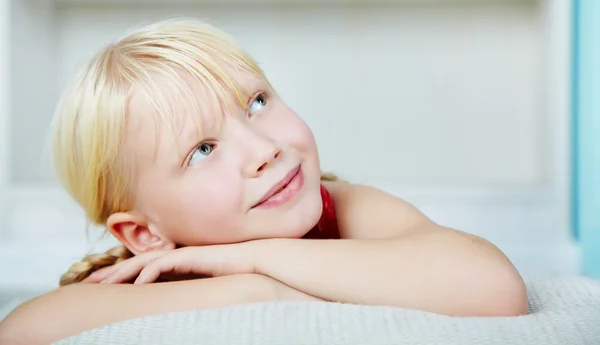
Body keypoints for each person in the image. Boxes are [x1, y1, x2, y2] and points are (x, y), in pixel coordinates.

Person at [0, 18, 528, 345]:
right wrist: (254, 290)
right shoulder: (154, 274)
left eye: (256, 103)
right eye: (202, 150)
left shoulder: (337, 204)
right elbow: (21, 330)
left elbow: (495, 288)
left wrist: (256, 256)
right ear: (145, 236)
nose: (264, 149)